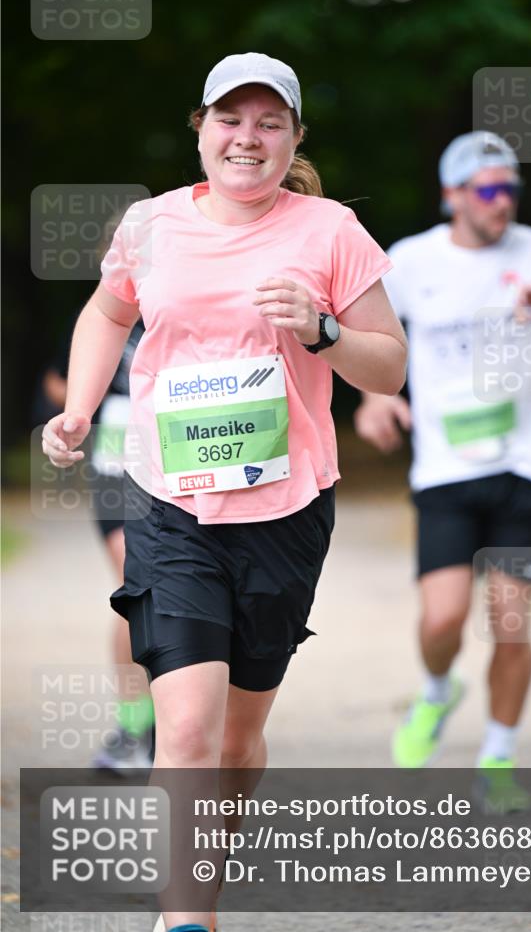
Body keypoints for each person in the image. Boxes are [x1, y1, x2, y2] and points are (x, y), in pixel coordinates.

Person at [42, 52, 407, 930]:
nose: (248, 138)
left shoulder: (328, 232)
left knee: (239, 738)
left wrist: (321, 332)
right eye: (230, 121)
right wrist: (81, 408)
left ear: (292, 139)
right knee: (190, 727)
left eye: (268, 123)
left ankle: (202, 867)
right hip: (169, 502)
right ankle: (185, 919)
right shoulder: (151, 225)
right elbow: (106, 311)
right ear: (201, 129)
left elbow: (389, 369)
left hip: (284, 510)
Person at [354, 131, 531, 805]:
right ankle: (434, 691)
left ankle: (498, 760)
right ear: (451, 194)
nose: (501, 200)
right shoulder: (412, 260)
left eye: (509, 186)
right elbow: (370, 335)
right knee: (442, 621)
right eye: (486, 188)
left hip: (526, 466)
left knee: (510, 623)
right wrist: (374, 400)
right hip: (446, 471)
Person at [41, 318, 155, 770]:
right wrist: (80, 405)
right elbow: (56, 380)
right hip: (117, 450)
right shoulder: (106, 313)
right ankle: (133, 727)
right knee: (136, 581)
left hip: (184, 447)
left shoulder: (198, 284)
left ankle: (183, 721)